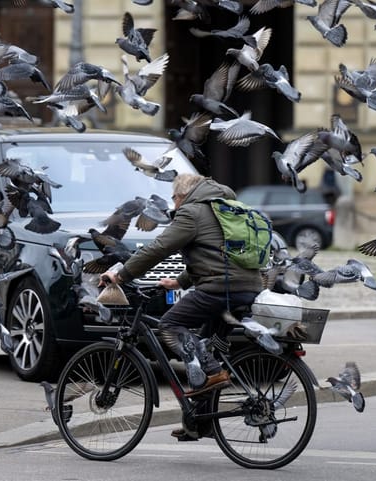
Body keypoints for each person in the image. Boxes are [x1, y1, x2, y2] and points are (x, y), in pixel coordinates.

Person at [100, 173, 263, 439]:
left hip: (220, 290)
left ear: (183, 194)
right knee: (204, 346)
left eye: (174, 198)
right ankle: (199, 423)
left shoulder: (192, 212)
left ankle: (213, 372)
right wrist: (179, 281)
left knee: (170, 325)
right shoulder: (227, 209)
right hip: (249, 286)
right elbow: (220, 255)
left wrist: (121, 275)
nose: (173, 204)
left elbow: (159, 248)